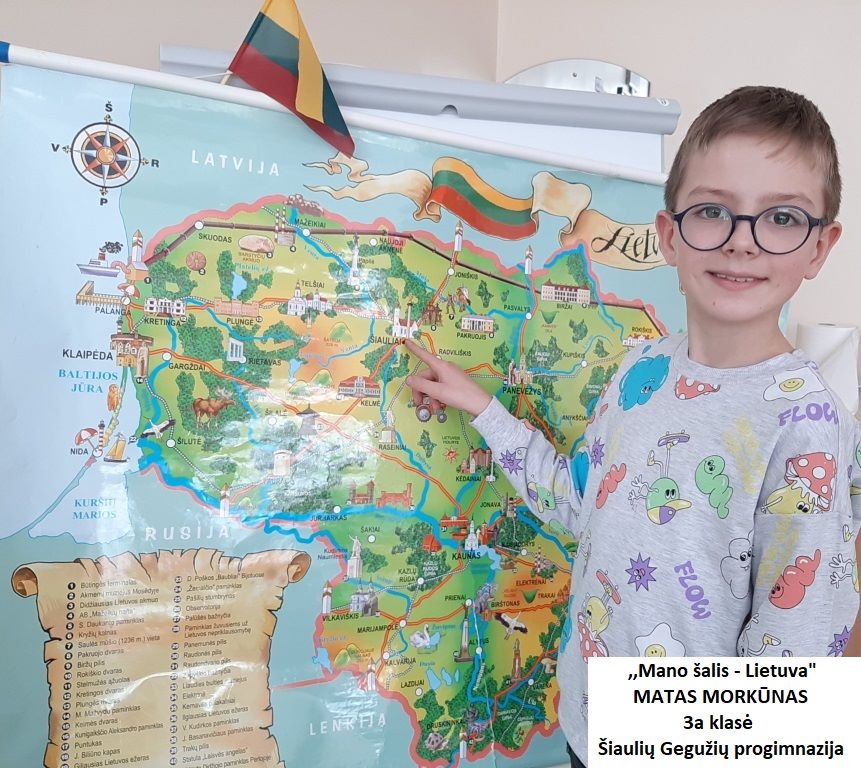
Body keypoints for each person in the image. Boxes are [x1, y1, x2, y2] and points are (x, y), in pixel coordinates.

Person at [404, 86, 861, 767]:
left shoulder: (806, 423)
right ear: (670, 235)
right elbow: (577, 502)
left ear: (819, 246)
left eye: (781, 218)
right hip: (590, 730)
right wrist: (486, 410)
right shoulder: (638, 372)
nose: (741, 241)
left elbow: (796, 654)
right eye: (712, 211)